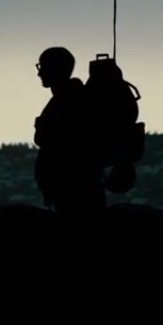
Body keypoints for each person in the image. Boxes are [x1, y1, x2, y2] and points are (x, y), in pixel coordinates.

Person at [33, 46, 106, 216]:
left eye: (43, 67)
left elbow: (60, 147)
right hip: (76, 187)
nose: (39, 74)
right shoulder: (70, 97)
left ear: (55, 69)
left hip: (74, 190)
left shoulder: (69, 101)